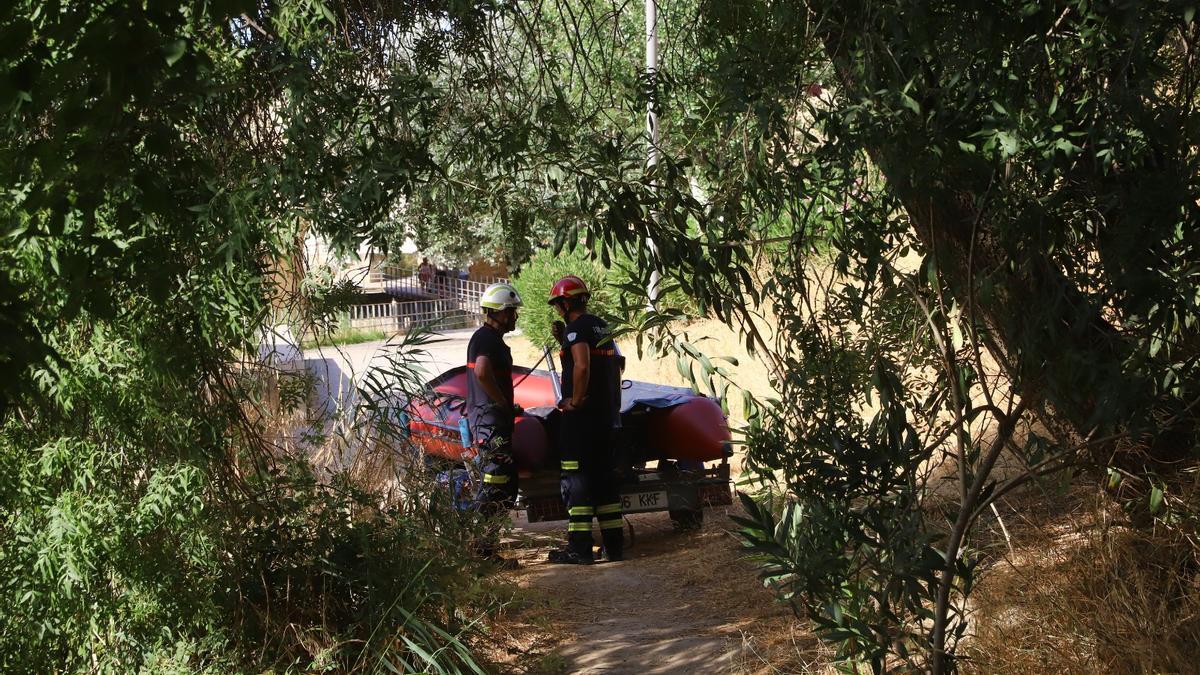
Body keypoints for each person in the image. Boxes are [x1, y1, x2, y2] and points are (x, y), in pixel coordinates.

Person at [546, 275, 624, 564]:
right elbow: (616, 363)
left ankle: (579, 548)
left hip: (581, 421)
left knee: (576, 480)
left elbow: (581, 366)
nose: (557, 310)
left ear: (566, 303)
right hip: (607, 418)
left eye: (558, 305)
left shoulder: (575, 330)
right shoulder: (601, 326)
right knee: (605, 481)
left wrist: (575, 401)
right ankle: (615, 546)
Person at [465, 282, 524, 563]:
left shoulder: (490, 339)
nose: (514, 317)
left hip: (495, 423)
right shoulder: (486, 338)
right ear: (499, 312)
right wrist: (500, 401)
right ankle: (480, 549)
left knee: (507, 486)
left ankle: (486, 547)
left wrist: (507, 405)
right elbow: (482, 371)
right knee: (495, 484)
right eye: (511, 312)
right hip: (490, 425)